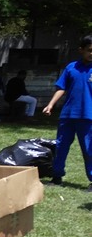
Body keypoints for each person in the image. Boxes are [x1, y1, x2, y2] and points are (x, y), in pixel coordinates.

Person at [42, 34, 92, 190]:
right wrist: (50, 105)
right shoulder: (71, 68)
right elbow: (61, 88)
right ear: (81, 50)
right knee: (61, 146)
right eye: (89, 50)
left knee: (89, 149)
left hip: (88, 116)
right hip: (68, 115)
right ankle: (57, 176)